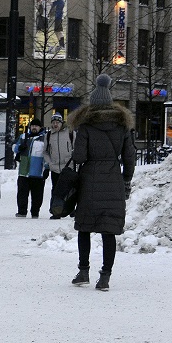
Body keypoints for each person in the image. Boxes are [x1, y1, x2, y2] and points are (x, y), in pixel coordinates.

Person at [67, 74, 136, 291]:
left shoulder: (86, 127)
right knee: (109, 230)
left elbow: (79, 157)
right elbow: (130, 157)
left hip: (89, 181)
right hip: (114, 179)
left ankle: (83, 271)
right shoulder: (122, 127)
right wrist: (126, 179)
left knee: (84, 227)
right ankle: (105, 277)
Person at [13, 118, 49, 218]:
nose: (34, 128)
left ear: (40, 128)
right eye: (32, 126)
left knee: (37, 195)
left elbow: (47, 154)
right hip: (24, 170)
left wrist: (47, 168)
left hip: (37, 171)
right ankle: (21, 211)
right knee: (22, 193)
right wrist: (19, 148)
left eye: (36, 126)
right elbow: (14, 147)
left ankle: (35, 212)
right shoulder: (24, 136)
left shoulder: (45, 138)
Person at [43, 113, 74, 218]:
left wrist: (73, 162)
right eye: (53, 123)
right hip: (55, 167)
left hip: (68, 166)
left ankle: (71, 209)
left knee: (70, 189)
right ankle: (56, 211)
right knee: (56, 190)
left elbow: (76, 148)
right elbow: (45, 152)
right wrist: (49, 163)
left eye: (57, 122)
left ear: (62, 123)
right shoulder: (48, 135)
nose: (55, 125)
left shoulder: (70, 133)